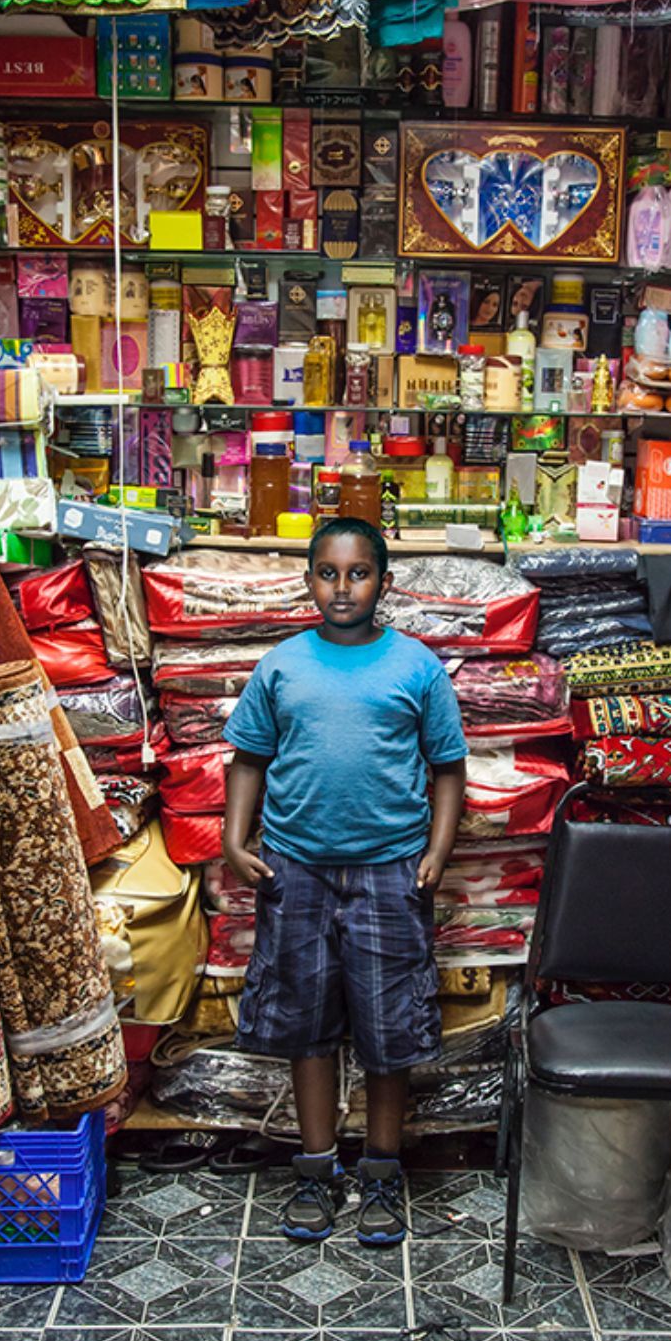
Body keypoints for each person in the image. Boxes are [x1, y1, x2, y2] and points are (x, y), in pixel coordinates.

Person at [222, 518, 468, 1246]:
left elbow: (448, 767)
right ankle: (316, 1165)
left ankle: (382, 1171)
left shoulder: (417, 667)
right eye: (327, 573)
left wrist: (439, 849)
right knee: (308, 1025)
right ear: (308, 582)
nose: (342, 587)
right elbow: (248, 756)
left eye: (358, 573)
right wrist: (236, 838)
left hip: (391, 870)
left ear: (384, 584)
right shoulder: (282, 666)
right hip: (295, 867)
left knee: (388, 1030)